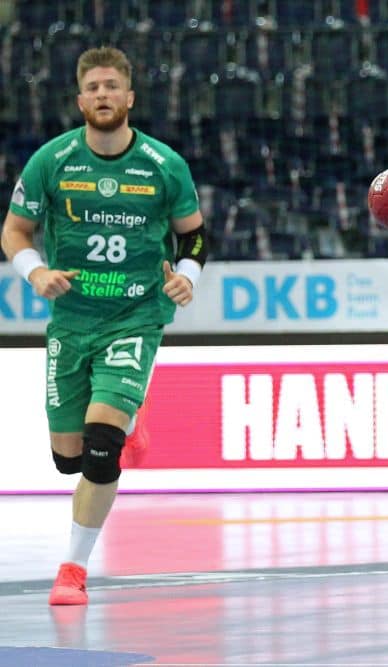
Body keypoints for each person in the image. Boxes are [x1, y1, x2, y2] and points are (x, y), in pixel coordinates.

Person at [0, 46, 206, 605]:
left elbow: (193, 234)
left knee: (99, 447)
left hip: (135, 316)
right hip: (71, 320)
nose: (103, 95)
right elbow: (13, 233)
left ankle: (72, 569)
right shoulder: (52, 161)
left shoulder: (164, 165)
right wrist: (35, 271)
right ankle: (125, 427)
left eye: (112, 85)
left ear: (130, 97)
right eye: (93, 87)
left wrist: (187, 274)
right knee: (67, 458)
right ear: (79, 99)